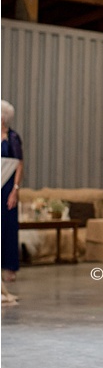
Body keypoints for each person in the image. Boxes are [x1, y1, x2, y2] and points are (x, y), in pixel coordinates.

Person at [1, 100, 23, 282]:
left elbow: (19, 164)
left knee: (7, 226)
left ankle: (9, 266)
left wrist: (15, 189)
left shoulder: (13, 137)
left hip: (7, 186)